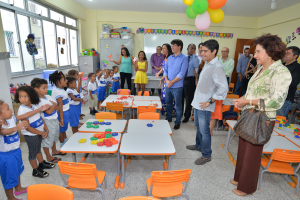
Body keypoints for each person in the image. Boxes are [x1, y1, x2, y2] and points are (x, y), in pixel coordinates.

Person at [231, 34, 291, 196]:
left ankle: (246, 187)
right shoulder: (260, 68)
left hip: (262, 118)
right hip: (249, 114)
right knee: (243, 150)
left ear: (270, 52)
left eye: (257, 52)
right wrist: (243, 99)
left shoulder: (280, 71)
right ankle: (239, 178)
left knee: (252, 155)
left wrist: (247, 100)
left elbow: (276, 101)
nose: (254, 55)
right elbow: (253, 91)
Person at [186, 39, 228, 165]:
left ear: (214, 51)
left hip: (205, 104)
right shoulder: (208, 63)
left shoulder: (217, 67)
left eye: (205, 51)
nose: (202, 53)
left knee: (205, 131)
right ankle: (199, 145)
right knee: (199, 127)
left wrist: (210, 101)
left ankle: (206, 154)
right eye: (201, 50)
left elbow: (223, 88)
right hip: (198, 102)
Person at [0, 100, 49, 200]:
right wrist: (16, 128)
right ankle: (10, 197)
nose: (11, 110)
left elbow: (24, 115)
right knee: (9, 177)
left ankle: (18, 189)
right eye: (8, 109)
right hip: (6, 156)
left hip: (16, 152)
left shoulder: (11, 120)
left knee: (17, 171)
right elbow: (4, 132)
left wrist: (39, 109)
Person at [16, 86, 56, 178]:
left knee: (38, 149)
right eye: (20, 97)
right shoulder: (22, 110)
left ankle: (41, 163)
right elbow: (27, 128)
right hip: (31, 135)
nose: (23, 99)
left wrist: (46, 129)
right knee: (33, 152)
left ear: (31, 96)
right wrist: (41, 133)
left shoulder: (33, 105)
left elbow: (40, 117)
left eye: (26, 96)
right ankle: (35, 170)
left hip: (38, 132)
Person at [31, 78, 62, 162]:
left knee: (54, 136)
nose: (46, 90)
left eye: (46, 87)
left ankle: (54, 151)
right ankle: (48, 157)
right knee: (48, 140)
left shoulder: (48, 97)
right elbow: (49, 112)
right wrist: (54, 104)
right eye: (43, 88)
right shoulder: (37, 101)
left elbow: (58, 108)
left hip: (55, 119)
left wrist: (53, 106)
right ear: (36, 89)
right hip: (47, 122)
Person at [163, 39, 188, 130]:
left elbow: (182, 74)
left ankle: (177, 122)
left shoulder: (184, 58)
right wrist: (167, 81)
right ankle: (169, 118)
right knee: (168, 103)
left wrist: (171, 82)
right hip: (168, 85)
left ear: (179, 47)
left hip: (177, 87)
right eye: (172, 45)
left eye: (174, 46)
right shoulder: (169, 58)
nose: (172, 47)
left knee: (178, 105)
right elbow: (165, 70)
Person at [277, 46, 300, 118]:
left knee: (280, 123)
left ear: (295, 56)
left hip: (285, 99)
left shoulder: (297, 67)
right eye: (285, 53)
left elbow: (292, 83)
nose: (285, 55)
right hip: (274, 97)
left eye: (288, 53)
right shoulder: (281, 65)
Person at [49, 71, 70, 148]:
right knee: (61, 130)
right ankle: (62, 144)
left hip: (64, 112)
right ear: (59, 82)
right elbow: (60, 106)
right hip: (62, 113)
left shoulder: (59, 90)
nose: (67, 81)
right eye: (65, 80)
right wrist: (61, 119)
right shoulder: (59, 92)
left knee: (63, 129)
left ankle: (65, 140)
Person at [155, 44, 175, 116]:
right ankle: (166, 111)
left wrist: (163, 77)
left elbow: (170, 70)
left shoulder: (171, 57)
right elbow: (163, 68)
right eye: (162, 48)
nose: (162, 50)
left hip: (169, 80)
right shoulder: (165, 57)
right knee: (164, 97)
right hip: (165, 79)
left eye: (164, 48)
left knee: (169, 97)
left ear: (168, 49)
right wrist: (158, 73)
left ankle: (171, 112)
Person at [182, 44, 199, 123]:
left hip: (190, 80)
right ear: (187, 48)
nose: (192, 50)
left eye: (194, 49)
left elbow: (196, 65)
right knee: (181, 98)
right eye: (191, 48)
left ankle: (187, 116)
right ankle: (179, 114)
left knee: (189, 100)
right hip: (181, 79)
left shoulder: (195, 58)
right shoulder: (183, 57)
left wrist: (194, 55)